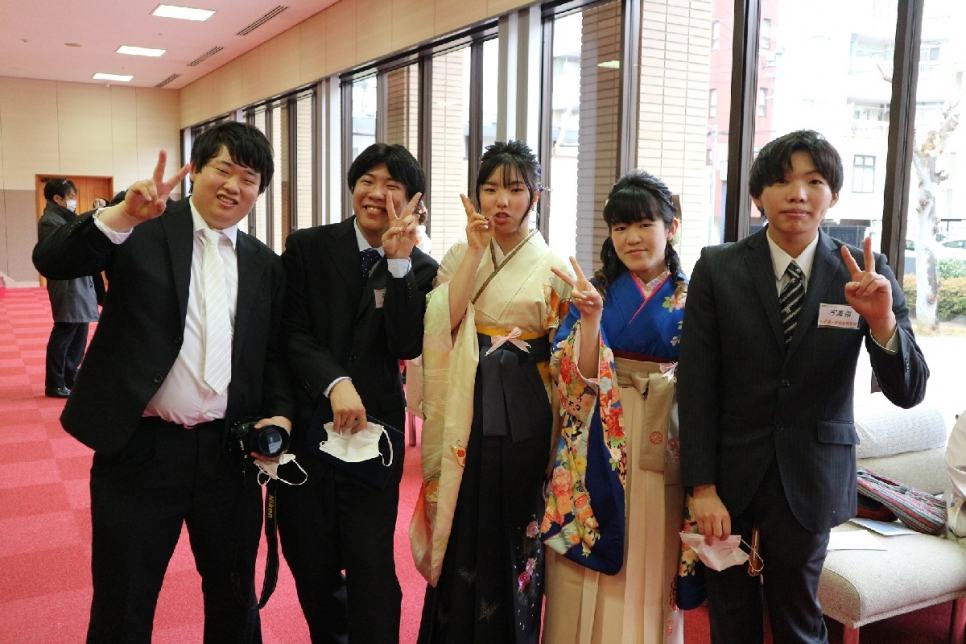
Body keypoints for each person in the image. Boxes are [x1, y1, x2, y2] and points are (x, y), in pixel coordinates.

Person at [32, 121, 294, 644]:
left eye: (249, 179)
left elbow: (272, 355)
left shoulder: (264, 263)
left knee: (235, 599)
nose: (234, 186)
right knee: (124, 603)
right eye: (223, 170)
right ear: (196, 170)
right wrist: (122, 217)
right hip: (142, 451)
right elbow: (52, 259)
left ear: (259, 191)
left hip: (228, 458)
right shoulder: (143, 228)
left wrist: (281, 413)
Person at [678, 130, 929, 644]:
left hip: (811, 475)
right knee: (730, 619)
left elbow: (909, 391)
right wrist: (701, 487)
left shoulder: (865, 273)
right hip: (728, 475)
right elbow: (696, 384)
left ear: (833, 195)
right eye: (782, 181)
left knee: (799, 621)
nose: (798, 194)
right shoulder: (718, 267)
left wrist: (882, 323)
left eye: (814, 182)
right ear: (758, 195)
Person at [410, 140, 573, 643]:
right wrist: (476, 251)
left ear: (536, 196)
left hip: (525, 403)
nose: (502, 201)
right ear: (477, 194)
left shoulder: (555, 265)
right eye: (490, 188)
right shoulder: (461, 252)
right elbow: (442, 325)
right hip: (467, 395)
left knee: (515, 517)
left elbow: (564, 356)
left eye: (515, 189)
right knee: (462, 508)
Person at [278, 142, 438, 644]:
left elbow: (405, 344)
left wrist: (398, 263)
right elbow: (291, 332)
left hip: (375, 437)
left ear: (412, 202)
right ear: (353, 186)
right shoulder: (307, 247)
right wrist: (335, 382)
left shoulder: (421, 268)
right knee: (311, 562)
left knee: (371, 568)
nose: (376, 193)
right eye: (367, 181)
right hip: (308, 429)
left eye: (392, 186)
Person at [541, 171, 688, 644]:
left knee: (651, 543)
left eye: (644, 224)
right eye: (621, 227)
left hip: (664, 429)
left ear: (672, 227)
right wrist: (591, 320)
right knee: (590, 541)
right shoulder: (596, 291)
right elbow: (572, 379)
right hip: (598, 431)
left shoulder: (693, 296)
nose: (632, 237)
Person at [37, 178, 100, 398]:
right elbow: (70, 243)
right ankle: (55, 382)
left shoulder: (65, 216)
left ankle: (70, 376)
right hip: (66, 282)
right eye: (71, 197)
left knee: (80, 331)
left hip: (78, 279)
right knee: (65, 330)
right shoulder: (50, 221)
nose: (74, 201)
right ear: (58, 198)